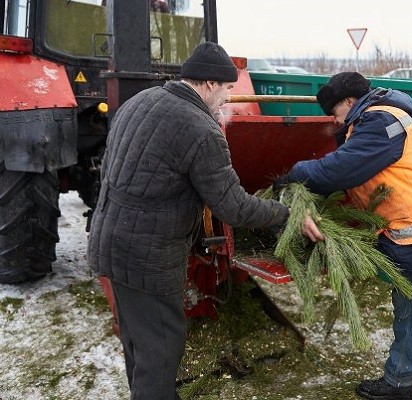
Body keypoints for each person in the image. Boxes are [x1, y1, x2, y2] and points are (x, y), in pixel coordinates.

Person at [87, 42, 323, 400]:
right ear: (210, 84)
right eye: (228, 89)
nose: (229, 98)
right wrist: (288, 215)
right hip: (148, 258)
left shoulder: (138, 102)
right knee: (163, 348)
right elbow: (235, 208)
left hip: (109, 242)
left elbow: (112, 168)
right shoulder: (202, 130)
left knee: (138, 340)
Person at [274, 72, 412, 400]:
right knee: (408, 314)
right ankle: (398, 383)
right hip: (404, 235)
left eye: (334, 110)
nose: (333, 119)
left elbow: (342, 168)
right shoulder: (369, 122)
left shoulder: (382, 121)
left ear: (350, 102)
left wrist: (296, 174)